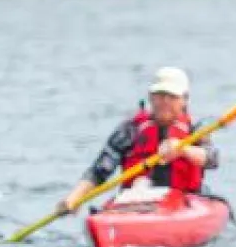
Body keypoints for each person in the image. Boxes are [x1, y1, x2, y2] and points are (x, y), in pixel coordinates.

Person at [58, 67, 219, 213]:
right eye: (160, 95)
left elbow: (212, 158)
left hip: (183, 202)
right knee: (140, 182)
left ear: (184, 99)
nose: (165, 102)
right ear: (150, 97)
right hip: (135, 200)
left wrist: (183, 149)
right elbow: (100, 170)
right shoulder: (130, 130)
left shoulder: (196, 129)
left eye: (172, 96)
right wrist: (74, 198)